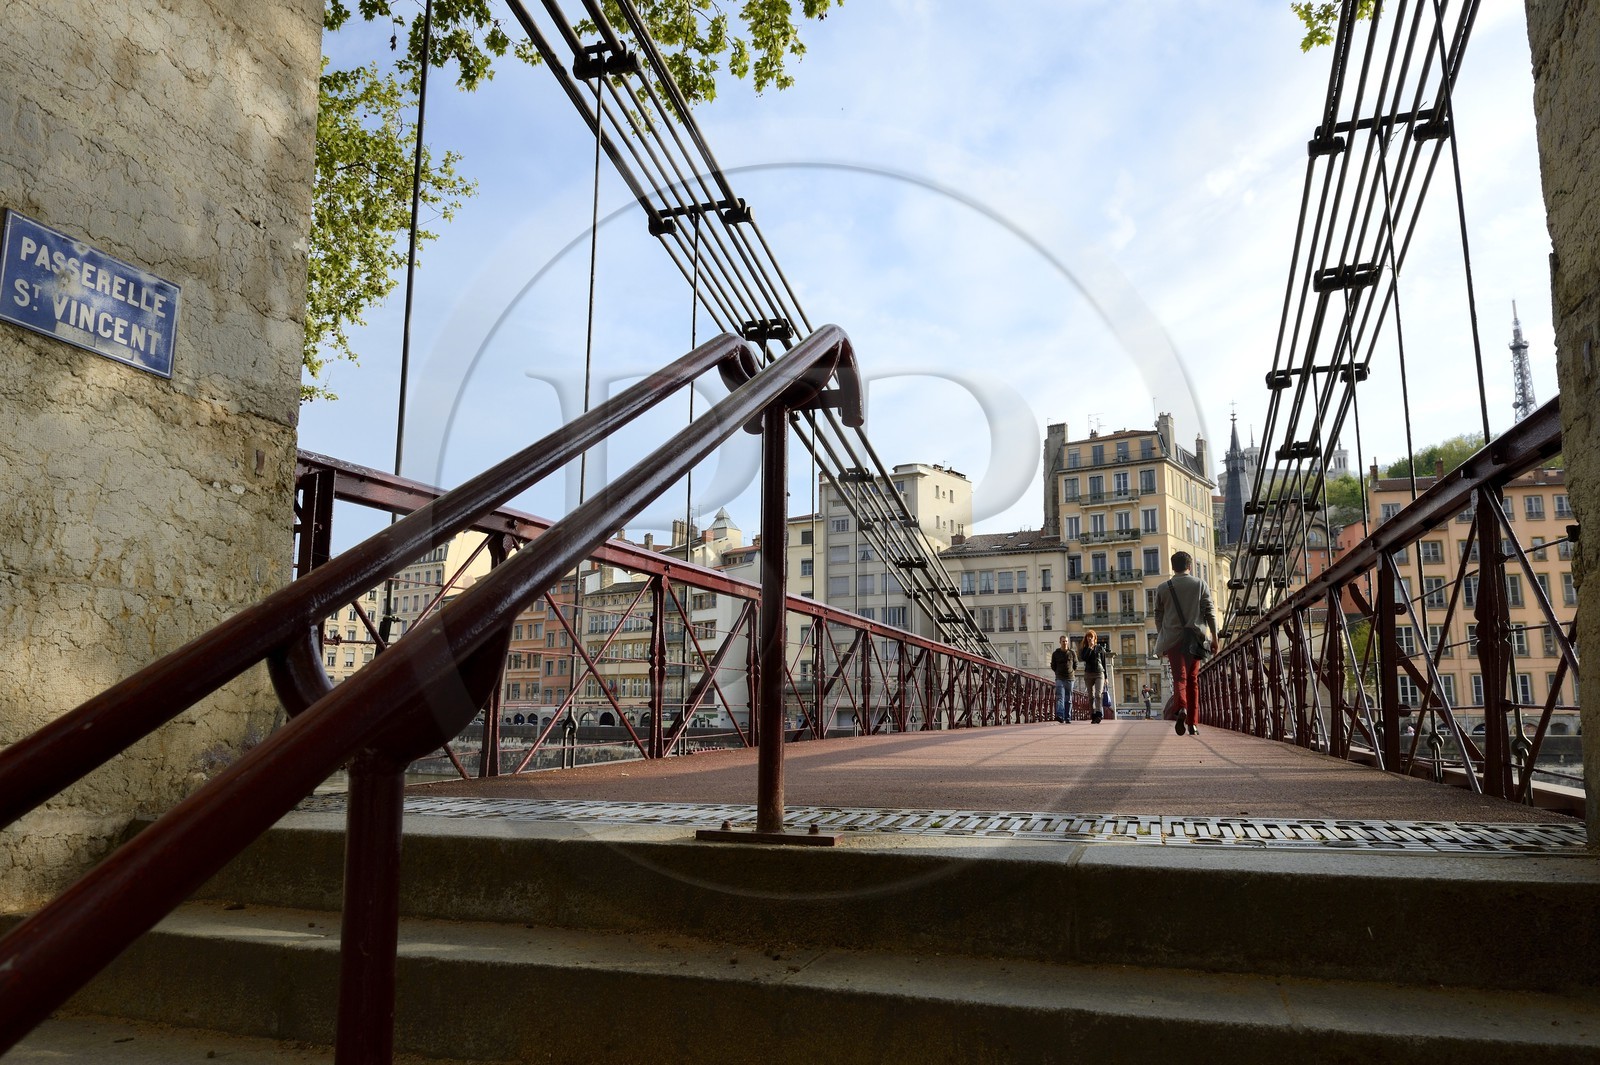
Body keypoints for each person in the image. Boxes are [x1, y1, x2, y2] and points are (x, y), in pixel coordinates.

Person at [1153, 550, 1218, 737]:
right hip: (1195, 638)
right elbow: (1210, 613)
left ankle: (1181, 708)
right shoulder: (1200, 584)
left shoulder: (1163, 588)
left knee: (1179, 677)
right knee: (1193, 681)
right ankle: (1193, 724)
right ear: (1189, 566)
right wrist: (1214, 637)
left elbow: (1158, 615)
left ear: (1173, 567)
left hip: (1173, 639)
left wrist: (1163, 635)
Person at [1078, 629, 1109, 724]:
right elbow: (1084, 658)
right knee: (1090, 696)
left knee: (1098, 694)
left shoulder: (1100, 648)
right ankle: (1093, 715)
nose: (1089, 638)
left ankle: (1099, 714)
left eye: (1091, 636)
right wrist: (1090, 648)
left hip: (1099, 673)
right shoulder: (1084, 649)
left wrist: (1106, 677)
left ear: (1095, 638)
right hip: (1088, 673)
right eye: (1088, 636)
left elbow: (1103, 663)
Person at [1049, 635, 1076, 723]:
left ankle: (1067, 717)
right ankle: (1060, 715)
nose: (1065, 643)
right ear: (1060, 642)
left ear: (1068, 642)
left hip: (1070, 678)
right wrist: (1057, 672)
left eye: (1066, 641)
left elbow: (1075, 664)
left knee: (1068, 699)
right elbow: (1053, 665)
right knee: (1060, 697)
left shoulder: (1072, 653)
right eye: (1063, 641)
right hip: (1059, 678)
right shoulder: (1055, 653)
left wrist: (1071, 672)